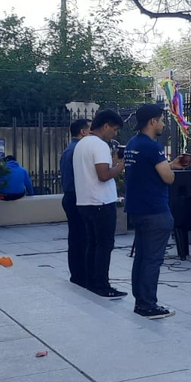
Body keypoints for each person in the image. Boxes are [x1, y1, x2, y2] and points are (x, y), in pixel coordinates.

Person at [124, 104, 188, 319]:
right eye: (161, 120)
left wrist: (170, 164)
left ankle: (140, 301)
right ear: (152, 122)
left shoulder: (133, 144)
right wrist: (170, 169)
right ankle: (148, 305)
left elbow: (149, 169)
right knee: (152, 259)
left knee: (141, 257)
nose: (162, 124)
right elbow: (167, 178)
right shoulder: (153, 146)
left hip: (138, 209)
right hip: (155, 210)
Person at [73, 110, 127, 299]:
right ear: (105, 126)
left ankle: (91, 282)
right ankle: (102, 285)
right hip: (101, 202)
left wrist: (113, 163)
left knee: (93, 243)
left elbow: (96, 169)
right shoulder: (99, 145)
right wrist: (120, 167)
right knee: (104, 245)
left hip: (85, 201)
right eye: (114, 129)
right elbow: (103, 175)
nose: (115, 133)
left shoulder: (82, 144)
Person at [59, 119, 90, 286]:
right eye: (91, 129)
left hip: (71, 195)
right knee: (80, 238)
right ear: (83, 132)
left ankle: (78, 274)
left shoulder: (70, 149)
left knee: (77, 237)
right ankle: (80, 275)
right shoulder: (77, 150)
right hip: (76, 196)